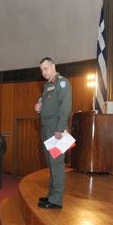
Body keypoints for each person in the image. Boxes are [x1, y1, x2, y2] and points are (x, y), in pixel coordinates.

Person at [34, 57, 72, 209]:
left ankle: (56, 200)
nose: (44, 72)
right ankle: (51, 195)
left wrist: (60, 128)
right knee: (50, 165)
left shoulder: (62, 83)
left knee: (56, 165)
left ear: (53, 66)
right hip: (46, 128)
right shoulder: (47, 86)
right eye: (42, 70)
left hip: (56, 129)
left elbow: (65, 106)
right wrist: (39, 108)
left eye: (46, 68)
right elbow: (48, 107)